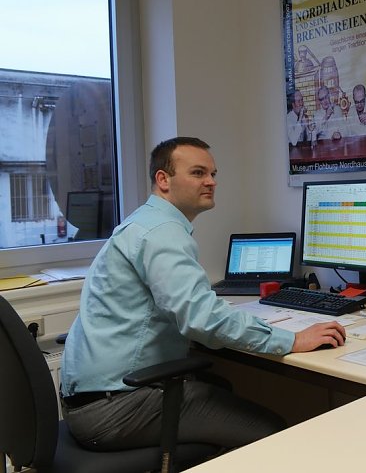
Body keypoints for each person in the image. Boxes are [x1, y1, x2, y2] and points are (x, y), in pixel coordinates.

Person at [59, 136, 346, 451]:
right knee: (274, 433)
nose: (211, 182)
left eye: (213, 174)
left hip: (94, 395)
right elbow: (203, 319)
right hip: (117, 407)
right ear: (163, 180)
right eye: (198, 173)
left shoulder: (143, 223)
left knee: (223, 385)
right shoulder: (161, 234)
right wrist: (292, 340)